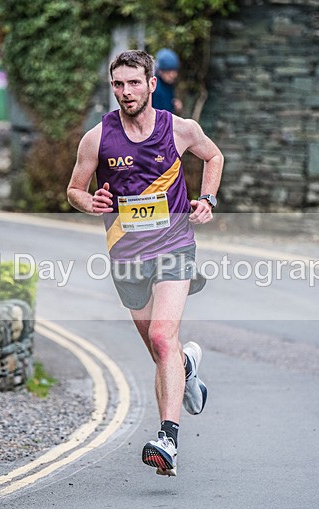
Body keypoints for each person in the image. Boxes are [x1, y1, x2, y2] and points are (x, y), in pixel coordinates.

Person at [66, 50, 223, 477]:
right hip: (127, 256)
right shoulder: (97, 138)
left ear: (152, 84)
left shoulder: (180, 129)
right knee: (162, 351)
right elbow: (74, 190)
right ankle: (186, 367)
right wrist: (90, 201)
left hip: (174, 247)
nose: (126, 92)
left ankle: (167, 439)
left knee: (161, 335)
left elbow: (214, 157)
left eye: (134, 83)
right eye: (118, 84)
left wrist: (207, 199)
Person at [152, 48, 182, 114]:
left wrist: (174, 105)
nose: (173, 75)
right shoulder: (154, 88)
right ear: (160, 71)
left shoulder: (168, 84)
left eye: (174, 71)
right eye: (168, 72)